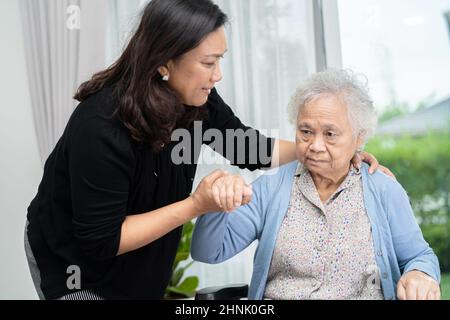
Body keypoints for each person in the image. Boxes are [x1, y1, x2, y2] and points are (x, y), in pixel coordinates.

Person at [25, 0, 385, 300]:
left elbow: (248, 147)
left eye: (220, 60)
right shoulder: (101, 126)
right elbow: (103, 240)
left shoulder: (197, 102)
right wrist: (196, 205)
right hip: (73, 264)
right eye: (208, 63)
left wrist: (317, 149)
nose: (218, 75)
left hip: (139, 263)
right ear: (164, 62)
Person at [191, 69, 441, 300]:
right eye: (305, 132)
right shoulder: (271, 189)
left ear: (359, 137)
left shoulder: (382, 188)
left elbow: (419, 256)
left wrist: (420, 274)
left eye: (330, 134)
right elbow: (208, 252)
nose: (316, 145)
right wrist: (215, 201)